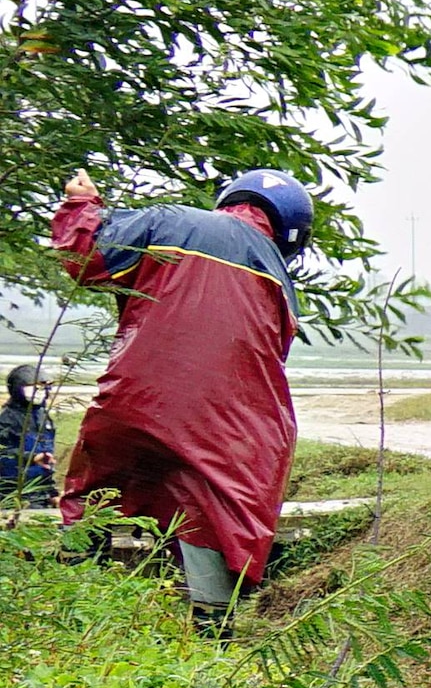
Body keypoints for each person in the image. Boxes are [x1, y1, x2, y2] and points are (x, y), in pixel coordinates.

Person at [42, 169, 311, 637]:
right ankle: (212, 629)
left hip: (135, 401)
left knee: (97, 484)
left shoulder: (166, 222)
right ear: (289, 231)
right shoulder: (279, 279)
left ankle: (67, 603)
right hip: (225, 427)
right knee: (218, 507)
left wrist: (80, 204)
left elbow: (86, 259)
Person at [1, 360, 52, 504]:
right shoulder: (7, 419)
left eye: (43, 388)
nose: (39, 393)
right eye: (32, 388)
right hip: (12, 490)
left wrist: (51, 491)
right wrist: (30, 457)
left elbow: (48, 459)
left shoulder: (43, 418)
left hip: (40, 491)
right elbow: (4, 453)